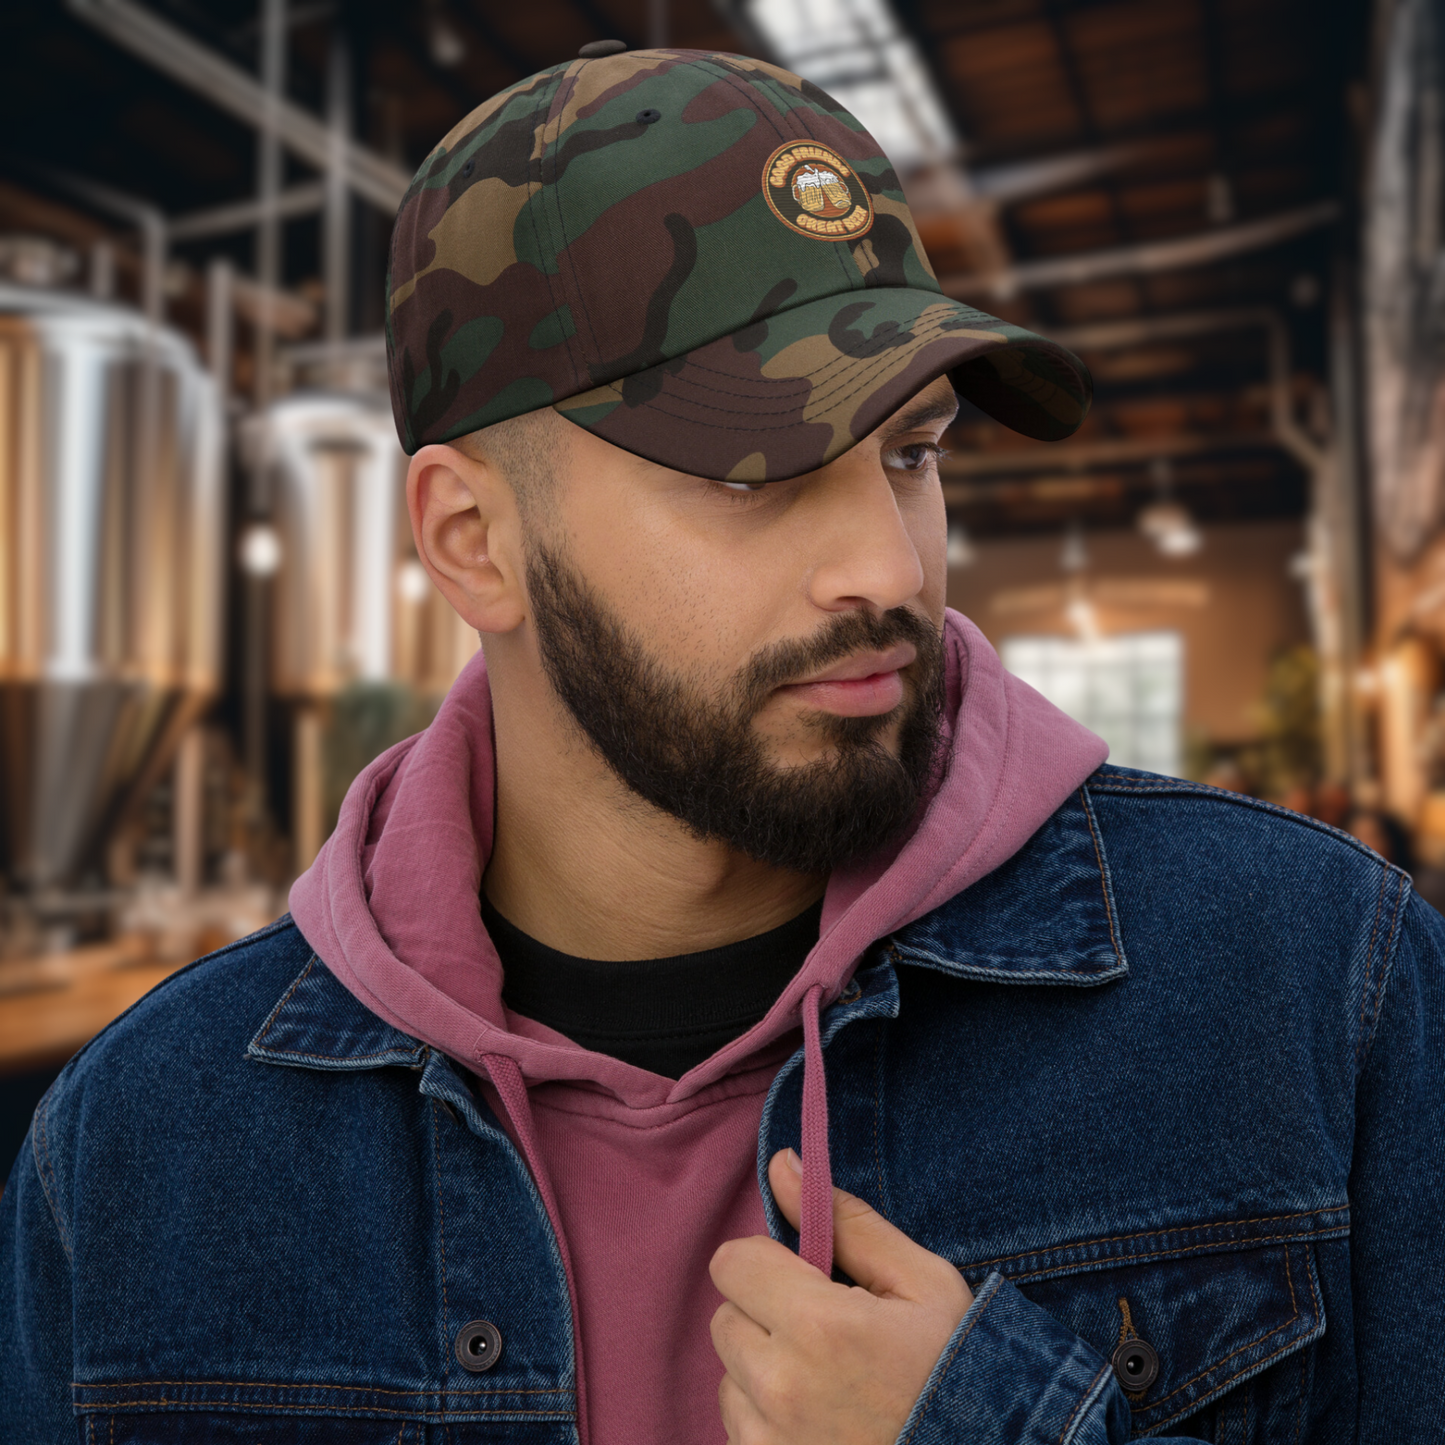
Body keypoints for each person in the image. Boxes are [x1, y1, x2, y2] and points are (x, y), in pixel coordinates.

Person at [4, 46, 1442, 1445]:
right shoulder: (140, 1155)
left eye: (913, 453)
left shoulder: (1314, 989)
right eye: (753, 470)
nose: (886, 568)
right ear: (471, 541)